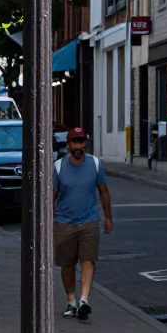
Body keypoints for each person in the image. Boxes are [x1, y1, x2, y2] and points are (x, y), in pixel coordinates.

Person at [52, 127, 113, 322]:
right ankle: (71, 300)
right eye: (75, 142)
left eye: (81, 142)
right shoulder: (59, 166)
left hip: (89, 221)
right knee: (67, 265)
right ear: (68, 144)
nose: (79, 146)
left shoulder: (95, 164)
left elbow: (103, 191)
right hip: (64, 223)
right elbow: (51, 197)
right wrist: (47, 221)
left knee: (88, 260)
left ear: (85, 143)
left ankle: (84, 301)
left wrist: (108, 217)